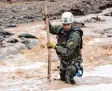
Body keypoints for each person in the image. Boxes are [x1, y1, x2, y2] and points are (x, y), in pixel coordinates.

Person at [44, 12, 83, 84]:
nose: (66, 26)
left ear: (71, 23)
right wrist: (46, 21)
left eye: (68, 24)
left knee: (68, 76)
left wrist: (55, 46)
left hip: (73, 61)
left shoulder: (74, 35)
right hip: (64, 59)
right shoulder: (62, 28)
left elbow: (68, 52)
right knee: (62, 77)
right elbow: (52, 30)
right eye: (64, 24)